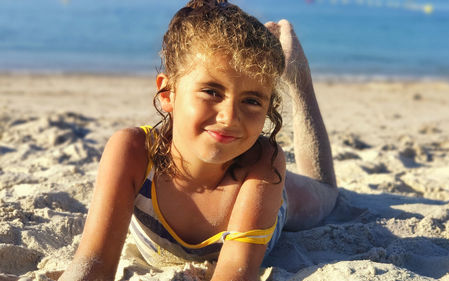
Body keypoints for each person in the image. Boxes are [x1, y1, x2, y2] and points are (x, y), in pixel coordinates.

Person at [59, 0, 338, 280]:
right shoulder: (132, 152)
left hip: (263, 195)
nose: (229, 117)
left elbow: (234, 273)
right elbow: (92, 266)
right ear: (168, 92)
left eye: (252, 100)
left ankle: (298, 77)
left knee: (326, 193)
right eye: (212, 92)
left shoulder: (264, 164)